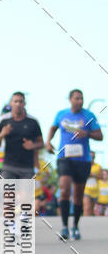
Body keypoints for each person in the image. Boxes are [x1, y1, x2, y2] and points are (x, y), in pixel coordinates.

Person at [46, 89, 103, 240]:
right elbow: (53, 128)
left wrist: (88, 134)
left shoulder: (88, 116)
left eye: (81, 98)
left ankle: (75, 226)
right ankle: (64, 227)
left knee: (78, 195)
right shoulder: (61, 114)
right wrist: (48, 142)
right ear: (70, 99)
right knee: (64, 189)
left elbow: (100, 136)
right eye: (77, 98)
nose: (80, 101)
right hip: (65, 157)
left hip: (82, 159)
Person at [0, 92, 43, 181]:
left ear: (24, 104)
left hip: (27, 169)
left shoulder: (33, 122)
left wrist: (33, 145)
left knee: (26, 195)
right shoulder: (4, 120)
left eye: (20, 101)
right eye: (15, 101)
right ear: (11, 103)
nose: (18, 104)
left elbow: (41, 143)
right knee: (8, 195)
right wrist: (2, 135)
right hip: (8, 167)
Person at [83, 151, 102, 217]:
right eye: (90, 157)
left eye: (93, 157)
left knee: (92, 209)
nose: (91, 158)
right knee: (87, 207)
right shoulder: (84, 165)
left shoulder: (98, 166)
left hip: (95, 190)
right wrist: (89, 175)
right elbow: (82, 175)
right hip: (86, 189)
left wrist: (94, 175)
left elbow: (101, 177)